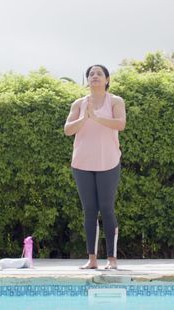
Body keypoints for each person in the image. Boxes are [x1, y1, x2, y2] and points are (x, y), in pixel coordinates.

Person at [64, 64, 126, 270]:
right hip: (82, 163)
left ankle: (112, 260)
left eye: (99, 73)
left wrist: (97, 117)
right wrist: (85, 116)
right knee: (89, 210)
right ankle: (92, 260)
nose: (95, 76)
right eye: (91, 74)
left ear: (107, 80)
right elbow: (68, 130)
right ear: (87, 80)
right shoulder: (78, 104)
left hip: (108, 162)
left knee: (107, 209)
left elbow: (120, 124)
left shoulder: (115, 101)